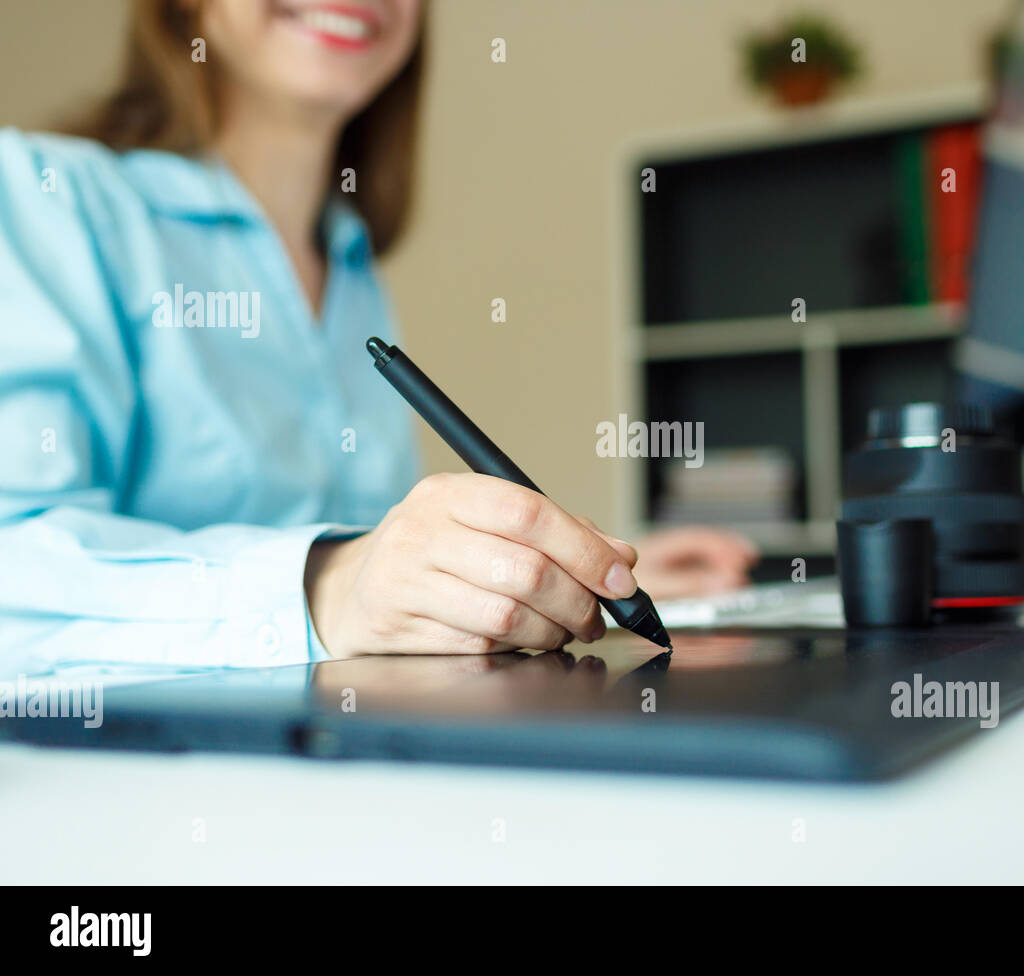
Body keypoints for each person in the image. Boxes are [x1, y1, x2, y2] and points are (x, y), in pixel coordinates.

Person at [0, 0, 756, 677]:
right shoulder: (43, 198)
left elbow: (386, 564)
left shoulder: (352, 262)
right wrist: (326, 583)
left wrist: (557, 573)